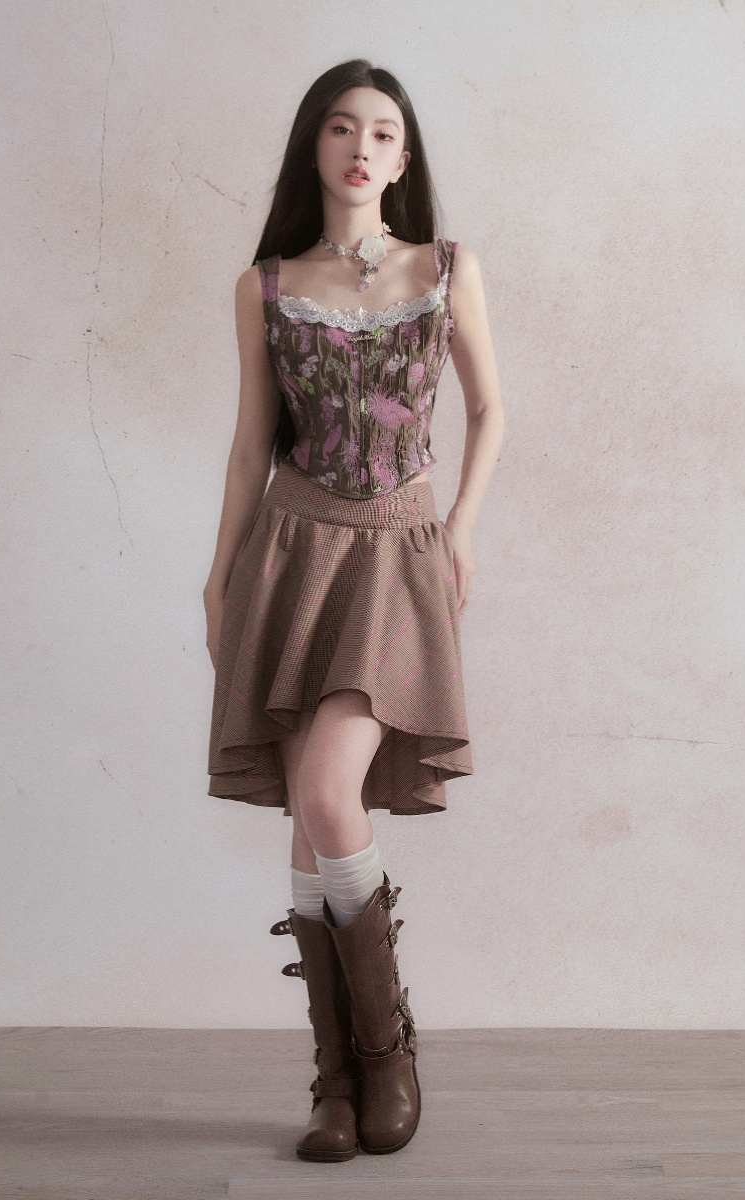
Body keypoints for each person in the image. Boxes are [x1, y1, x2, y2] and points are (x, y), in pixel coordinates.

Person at [203, 59, 504, 1162]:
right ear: (315, 146)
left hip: (397, 554)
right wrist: (219, 576)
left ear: (404, 157)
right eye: (341, 128)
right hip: (290, 551)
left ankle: (388, 1053)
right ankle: (336, 1085)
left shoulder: (448, 268)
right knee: (308, 805)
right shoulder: (266, 286)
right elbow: (251, 446)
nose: (361, 147)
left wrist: (460, 528)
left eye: (381, 132)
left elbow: (491, 410)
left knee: (331, 791)